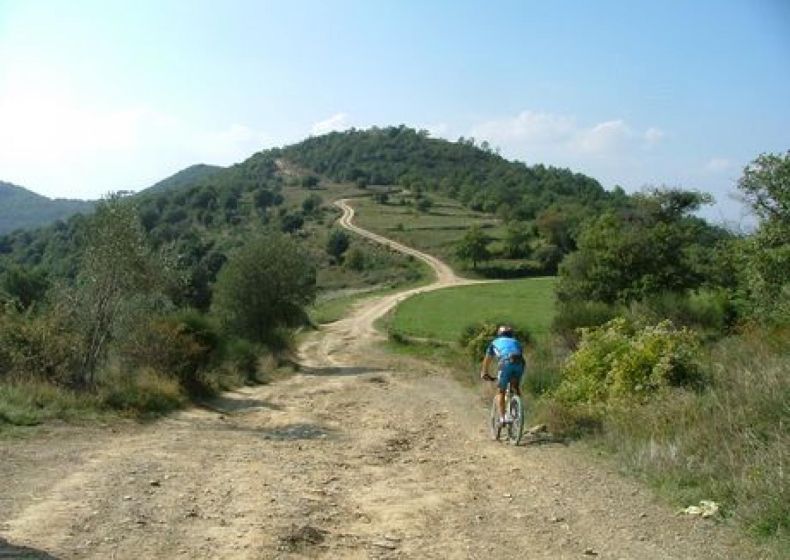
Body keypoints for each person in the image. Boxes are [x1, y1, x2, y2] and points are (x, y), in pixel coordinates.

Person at [479, 325, 525, 425]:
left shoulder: (494, 343)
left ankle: (503, 418)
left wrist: (484, 373)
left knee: (501, 391)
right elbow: (520, 354)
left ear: (499, 334)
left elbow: (487, 360)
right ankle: (517, 411)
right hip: (520, 364)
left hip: (506, 363)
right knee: (515, 387)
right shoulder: (516, 342)